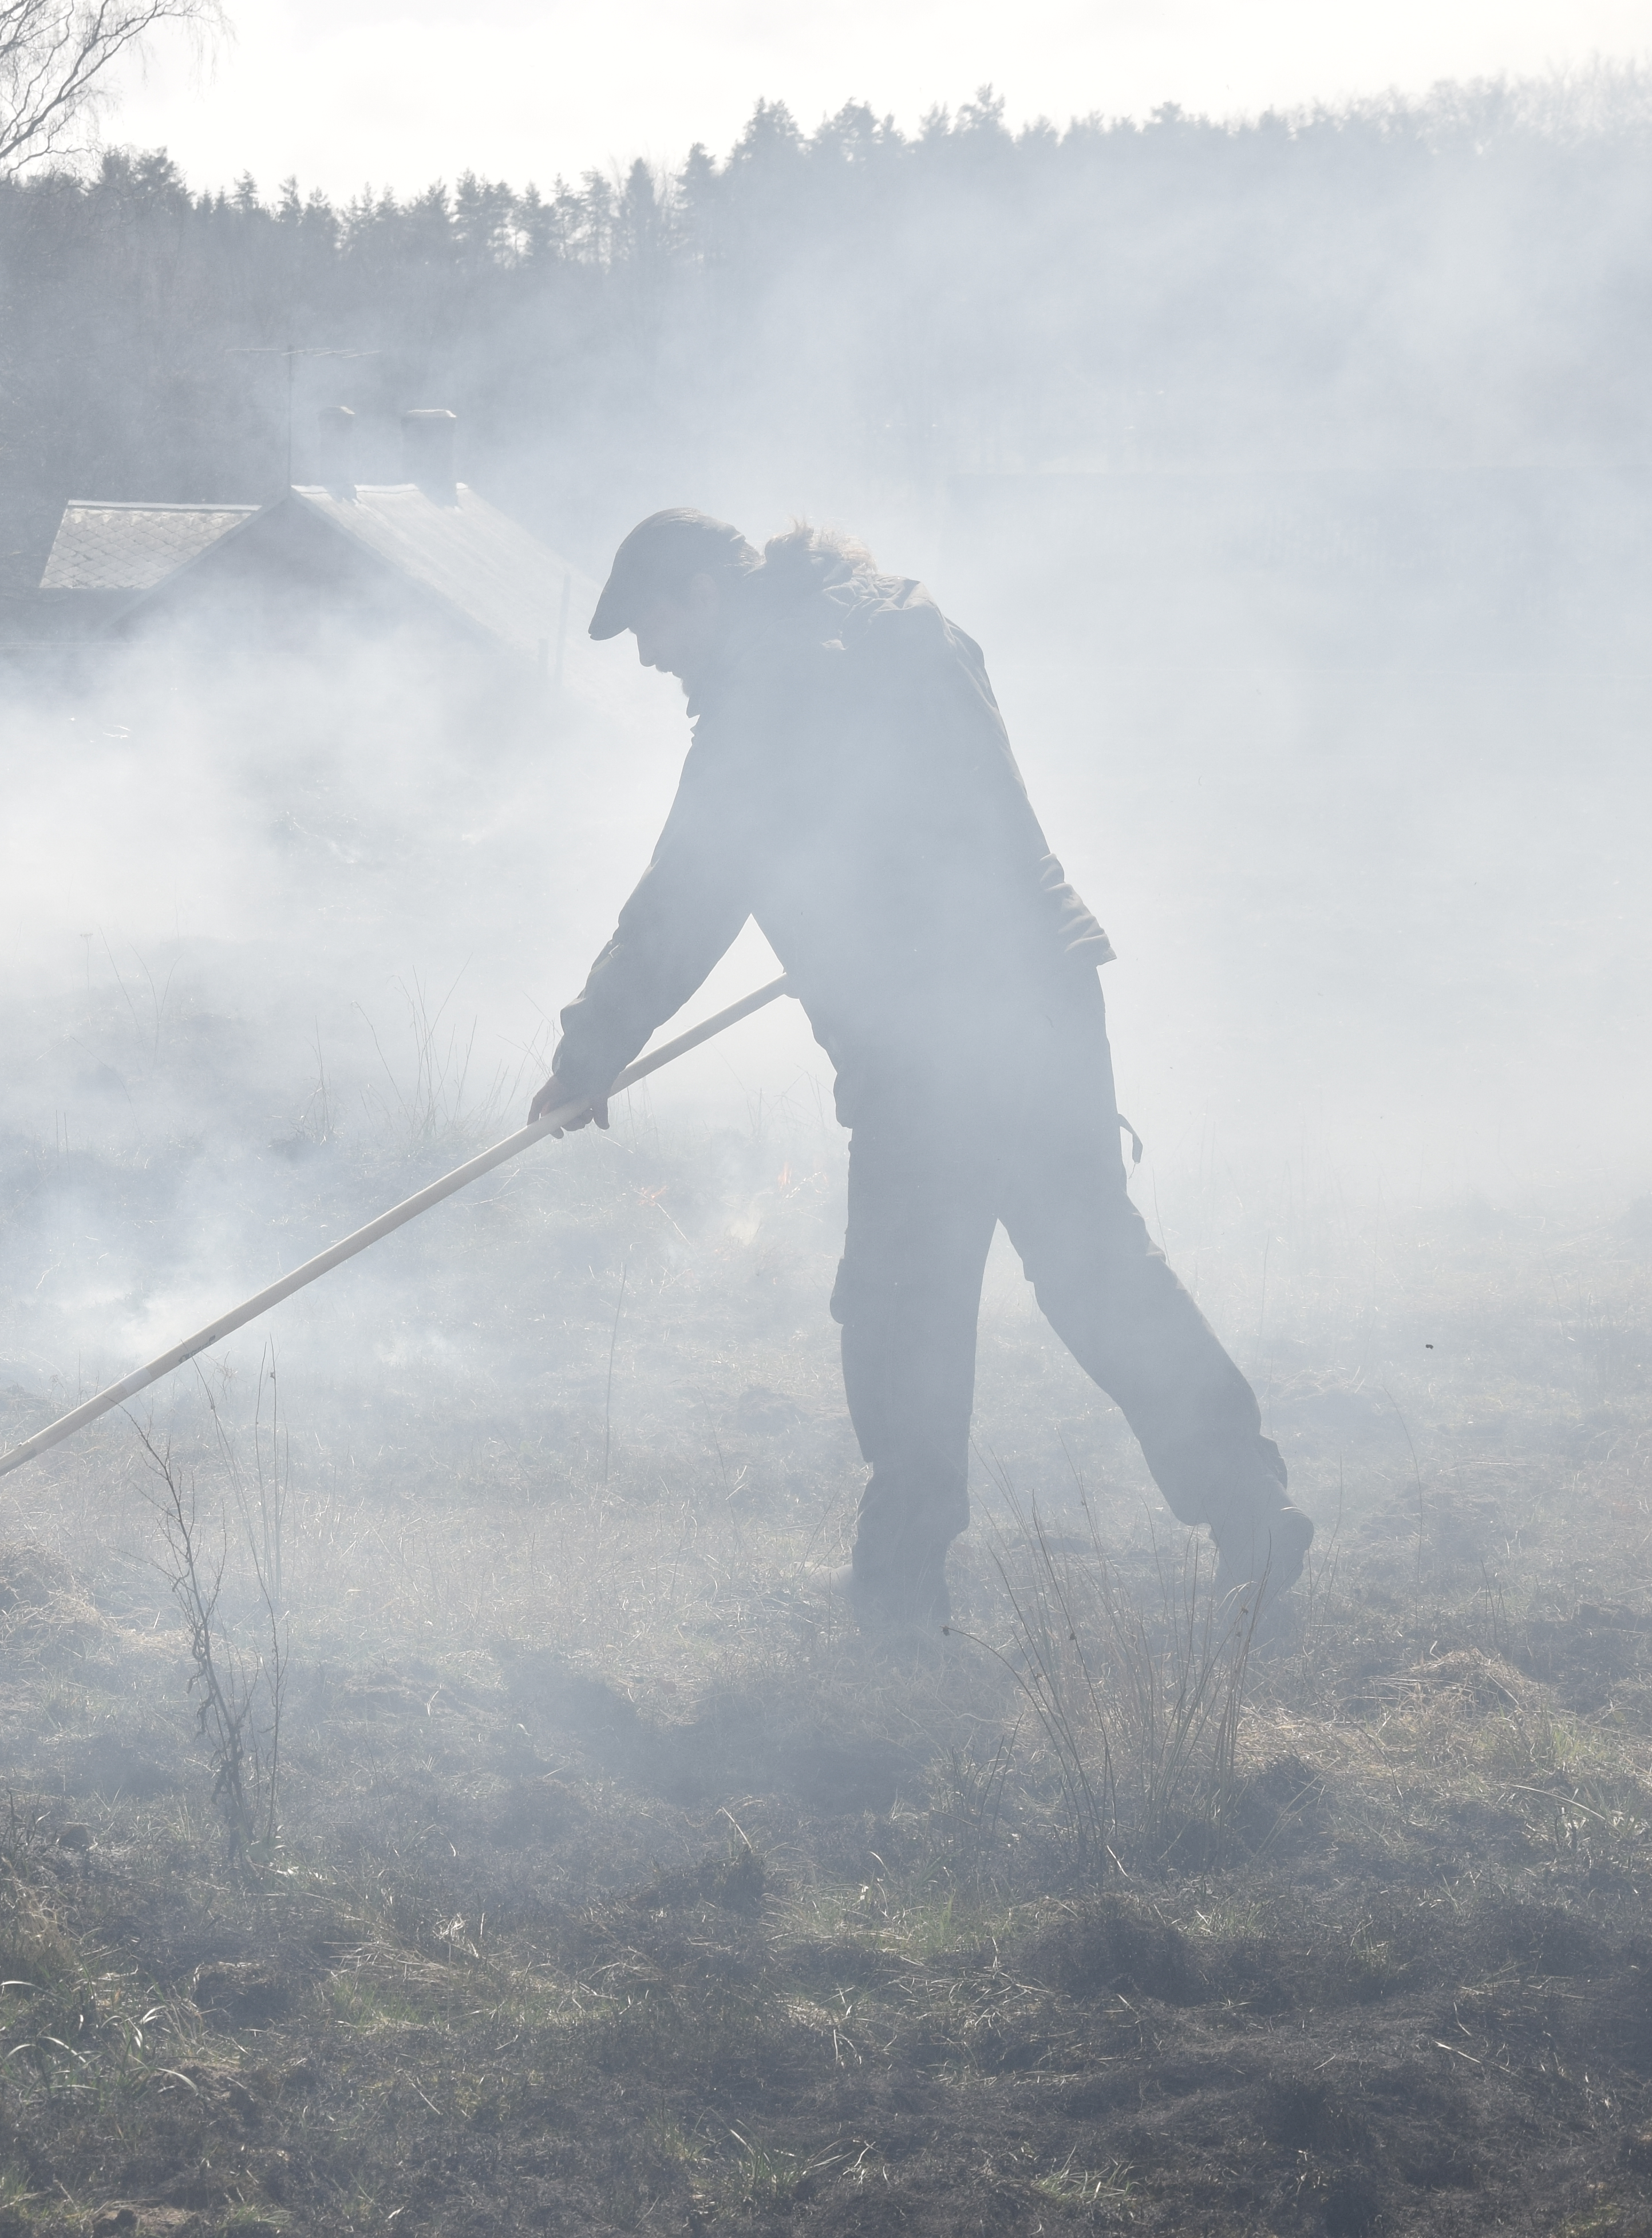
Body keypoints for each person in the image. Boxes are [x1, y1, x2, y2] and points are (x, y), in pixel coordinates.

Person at [535, 510, 1308, 1637]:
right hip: (1041, 989)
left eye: (652, 626)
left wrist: (591, 1052)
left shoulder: (770, 695)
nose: (651, 658)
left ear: (704, 591)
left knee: (907, 1304)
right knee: (1096, 1268)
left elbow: (688, 895)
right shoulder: (904, 622)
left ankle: (899, 1593)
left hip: (929, 1035)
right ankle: (1253, 1509)